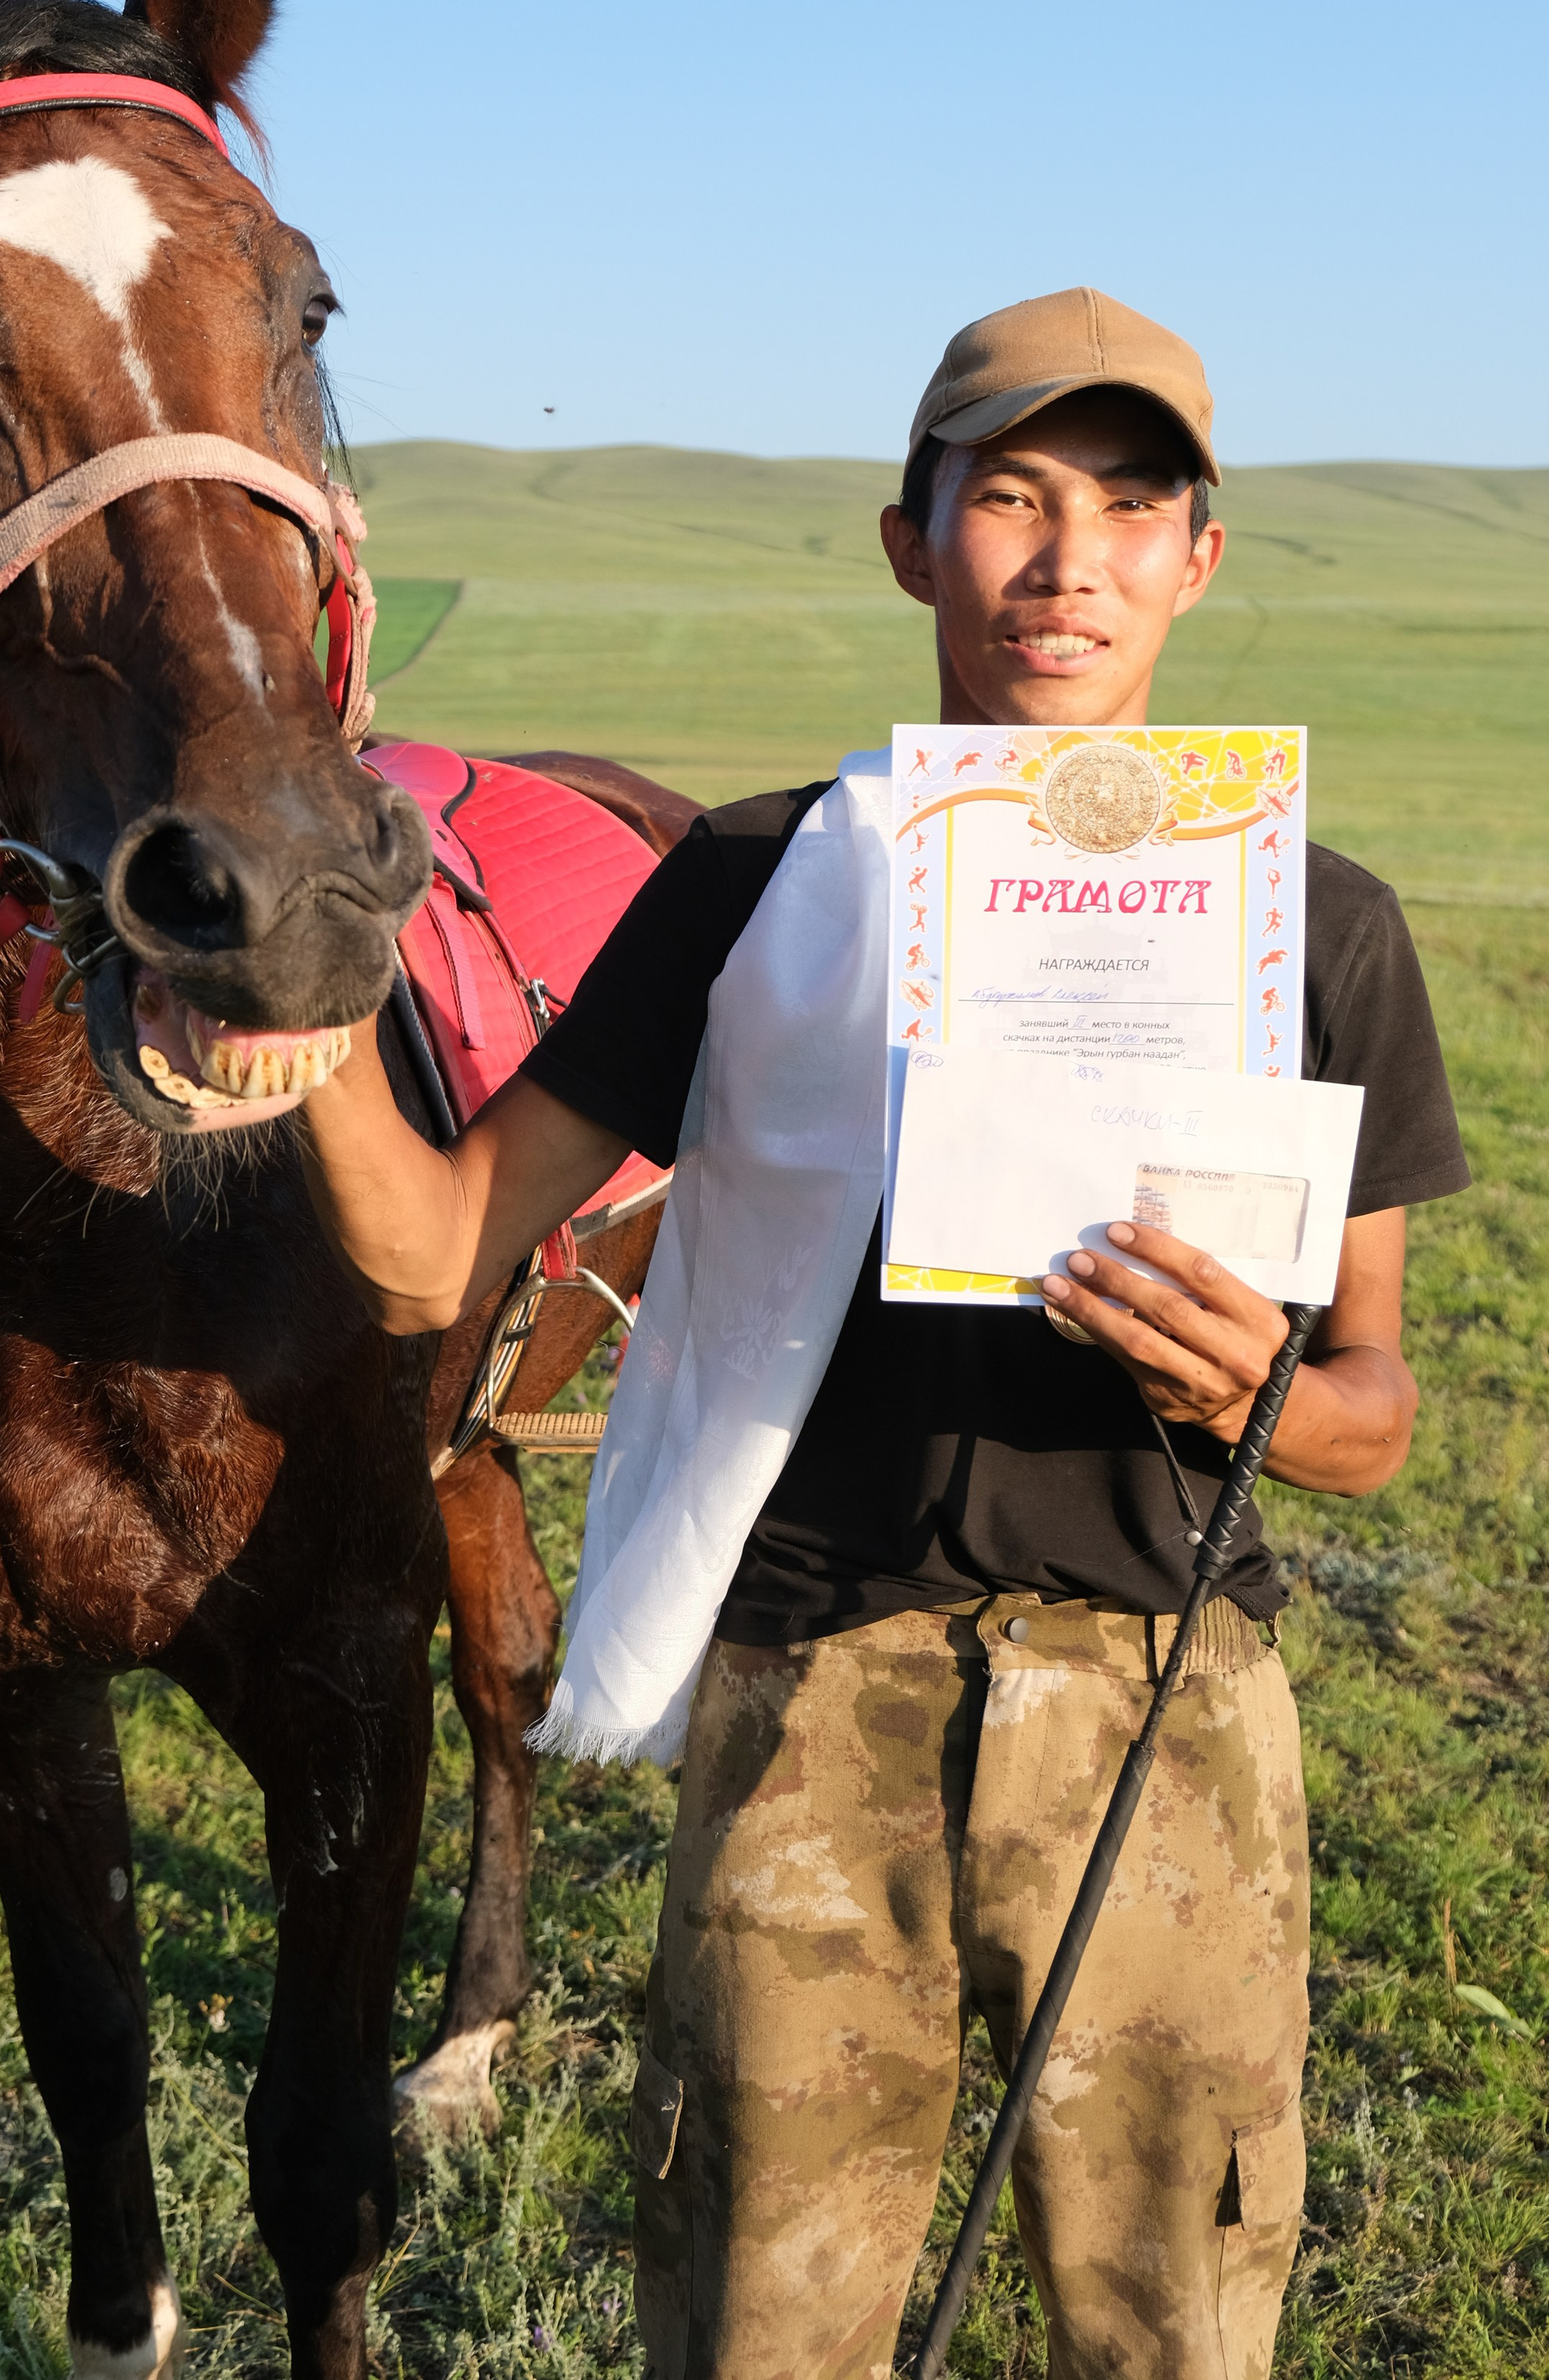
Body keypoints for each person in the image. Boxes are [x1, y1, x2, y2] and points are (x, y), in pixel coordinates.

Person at [297, 287, 1469, 2380]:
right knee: (764, 2322)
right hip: (811, 1691)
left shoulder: (1323, 922)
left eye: (1128, 507)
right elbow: (441, 1244)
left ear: (1199, 560)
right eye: (1007, 497)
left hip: (1169, 1704)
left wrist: (1252, 1382)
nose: (1066, 559)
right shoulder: (756, 888)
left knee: (1174, 2325)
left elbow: (1372, 1416)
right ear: (909, 540)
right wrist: (268, 1020)